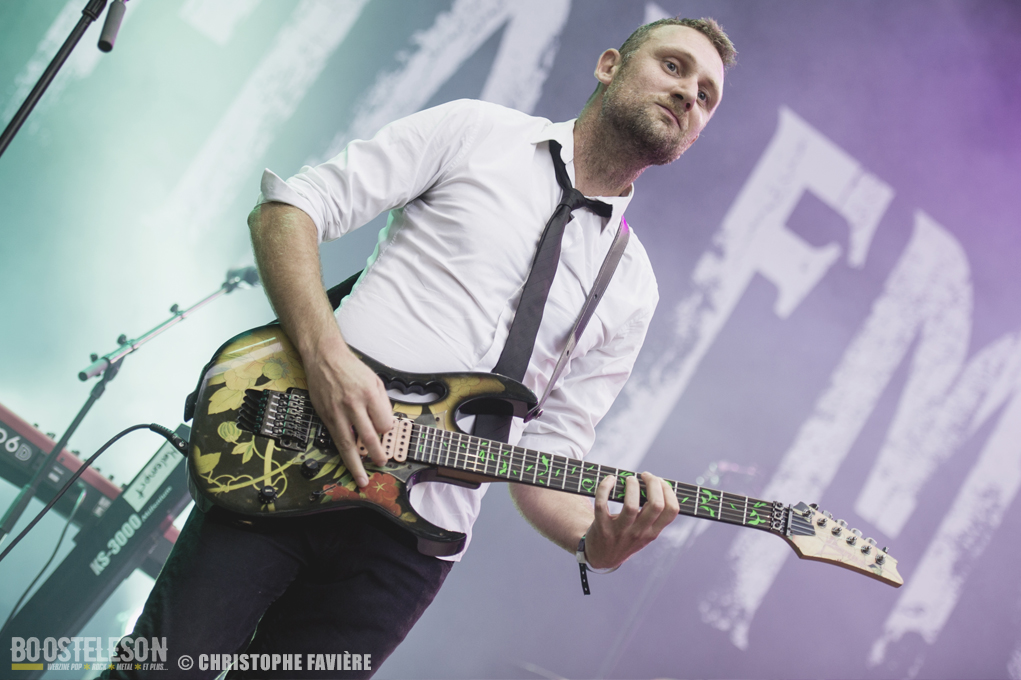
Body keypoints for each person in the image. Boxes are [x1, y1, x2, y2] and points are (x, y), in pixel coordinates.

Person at [104, 16, 735, 679]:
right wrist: (327, 360)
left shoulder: (632, 287)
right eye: (673, 66)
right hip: (290, 455)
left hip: (408, 552)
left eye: (706, 96)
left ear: (696, 133)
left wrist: (594, 544)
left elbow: (550, 454)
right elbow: (288, 210)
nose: (688, 93)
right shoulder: (476, 132)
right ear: (609, 65)